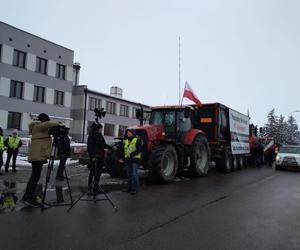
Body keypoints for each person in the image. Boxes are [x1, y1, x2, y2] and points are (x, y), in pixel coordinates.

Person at [22, 113, 59, 207]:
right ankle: (30, 198)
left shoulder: (39, 128)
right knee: (35, 177)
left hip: (38, 155)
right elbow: (48, 124)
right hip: (37, 156)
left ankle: (26, 196)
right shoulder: (39, 126)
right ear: (45, 120)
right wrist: (60, 124)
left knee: (34, 176)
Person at [87, 122, 111, 194]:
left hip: (101, 157)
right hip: (95, 158)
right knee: (93, 173)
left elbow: (104, 145)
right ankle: (90, 188)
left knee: (98, 173)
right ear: (97, 129)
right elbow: (90, 148)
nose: (102, 130)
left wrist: (112, 148)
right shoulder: (91, 136)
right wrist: (93, 157)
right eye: (101, 129)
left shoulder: (100, 136)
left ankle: (96, 188)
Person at [122, 129, 142, 195]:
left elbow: (139, 150)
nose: (127, 134)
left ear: (132, 133)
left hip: (135, 159)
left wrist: (131, 154)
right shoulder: (127, 140)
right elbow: (126, 150)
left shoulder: (137, 140)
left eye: (129, 132)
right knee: (129, 174)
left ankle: (135, 189)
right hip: (128, 160)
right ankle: (129, 188)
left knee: (134, 174)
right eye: (127, 133)